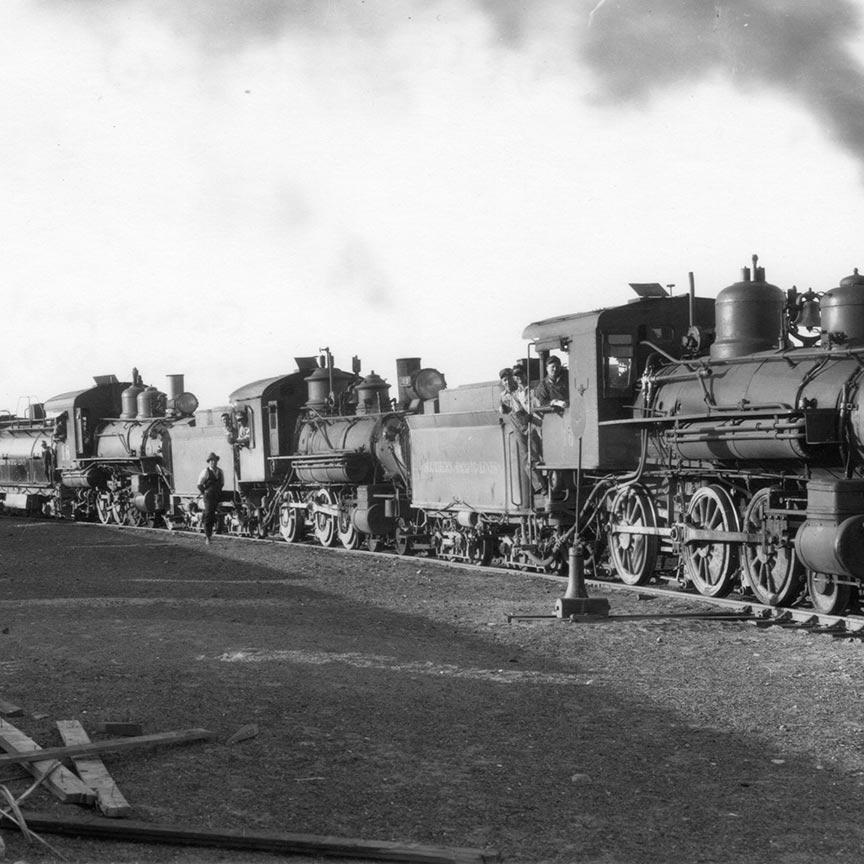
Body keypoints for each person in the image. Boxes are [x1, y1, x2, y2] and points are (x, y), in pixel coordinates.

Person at [498, 367, 544, 494]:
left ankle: (545, 483)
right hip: (517, 426)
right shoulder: (503, 396)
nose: (507, 382)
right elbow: (504, 411)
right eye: (504, 380)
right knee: (525, 457)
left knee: (535, 454)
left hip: (528, 424)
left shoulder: (520, 391)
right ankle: (539, 485)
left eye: (509, 379)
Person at [197, 452, 225, 544]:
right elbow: (199, 484)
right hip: (208, 496)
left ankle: (214, 531)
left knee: (215, 514)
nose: (213, 462)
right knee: (209, 514)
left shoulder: (220, 471)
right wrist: (204, 492)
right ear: (209, 462)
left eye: (215, 460)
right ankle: (208, 537)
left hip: (217, 495)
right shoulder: (205, 471)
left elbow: (222, 483)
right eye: (211, 461)